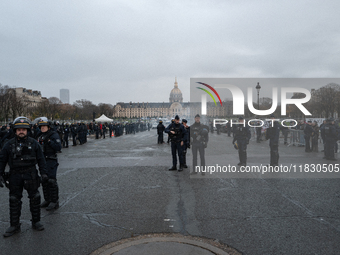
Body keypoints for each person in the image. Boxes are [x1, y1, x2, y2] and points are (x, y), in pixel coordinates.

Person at [0, 117, 48, 237]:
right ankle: (14, 225)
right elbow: (2, 161)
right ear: (15, 131)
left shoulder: (34, 143)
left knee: (35, 198)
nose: (21, 131)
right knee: (14, 200)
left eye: (23, 129)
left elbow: (41, 160)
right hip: (14, 175)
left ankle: (36, 222)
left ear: (27, 130)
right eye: (19, 129)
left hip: (30, 174)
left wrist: (44, 173)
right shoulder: (8, 145)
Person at [37, 118, 62, 211]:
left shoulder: (53, 135)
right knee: (44, 180)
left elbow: (58, 147)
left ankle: (54, 201)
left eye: (44, 126)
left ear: (48, 126)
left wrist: (49, 141)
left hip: (51, 159)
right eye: (41, 126)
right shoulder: (39, 135)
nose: (42, 128)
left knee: (51, 181)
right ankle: (47, 199)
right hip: (42, 160)